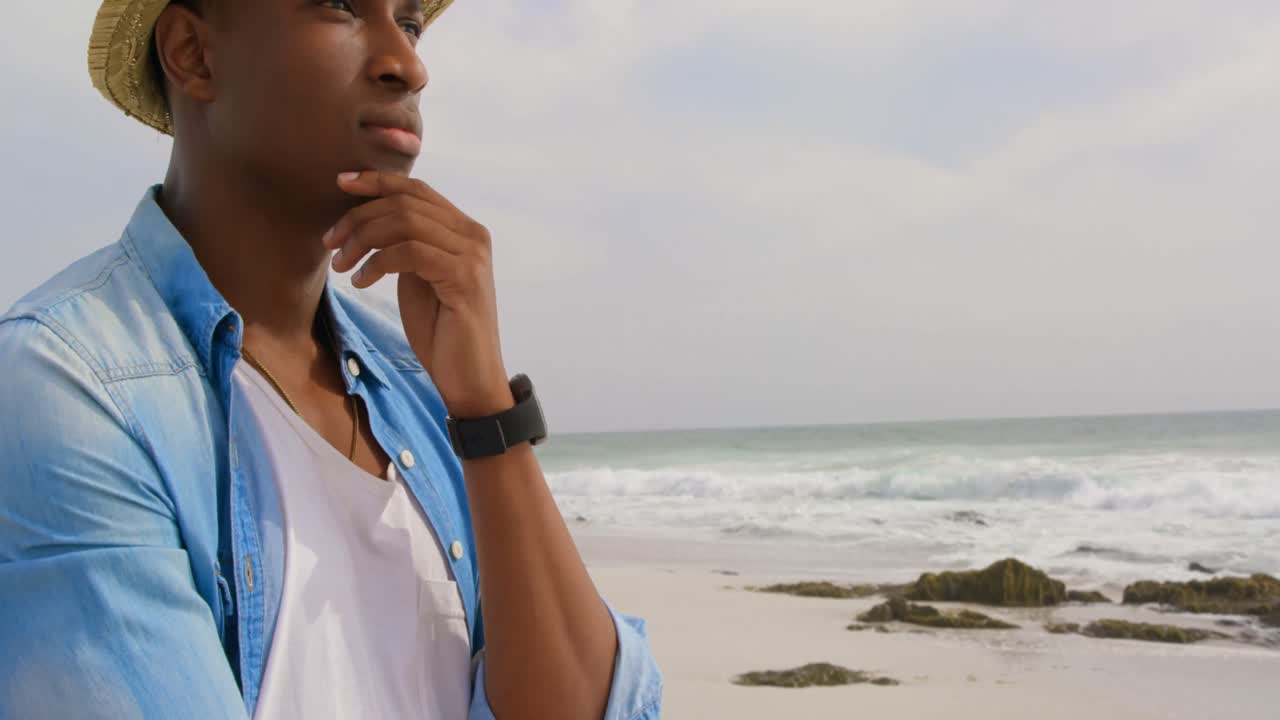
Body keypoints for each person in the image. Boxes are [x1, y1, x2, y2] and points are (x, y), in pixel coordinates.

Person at [0, 1, 662, 718]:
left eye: (408, 23)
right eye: (341, 6)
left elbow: (584, 709)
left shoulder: (419, 380)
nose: (407, 64)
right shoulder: (67, 381)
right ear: (192, 52)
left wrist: (487, 411)